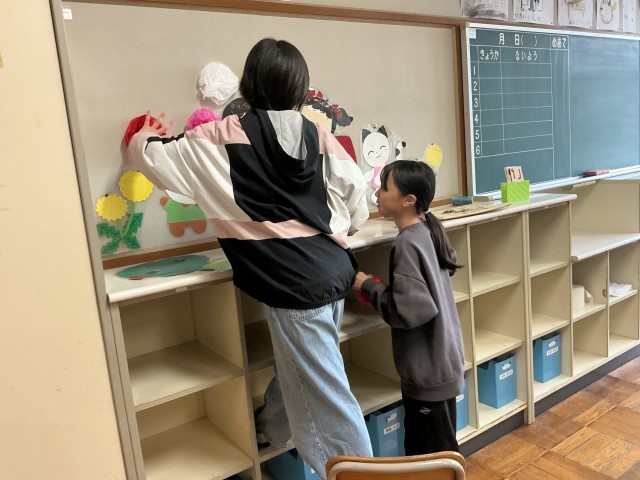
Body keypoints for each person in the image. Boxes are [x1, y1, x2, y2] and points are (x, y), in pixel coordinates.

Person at [126, 38, 372, 477]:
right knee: (303, 373)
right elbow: (358, 208)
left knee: (327, 400)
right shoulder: (319, 135)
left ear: (249, 83)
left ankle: (362, 473)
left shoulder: (218, 138)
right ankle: (271, 432)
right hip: (332, 273)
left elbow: (153, 158)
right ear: (300, 89)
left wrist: (141, 134)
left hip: (293, 286)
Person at [353, 160, 465, 455]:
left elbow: (409, 311)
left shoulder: (406, 243)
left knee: (431, 457)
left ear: (408, 200)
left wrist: (368, 286)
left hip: (428, 372)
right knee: (440, 449)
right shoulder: (427, 230)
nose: (377, 193)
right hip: (442, 363)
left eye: (385, 187)